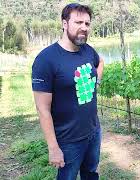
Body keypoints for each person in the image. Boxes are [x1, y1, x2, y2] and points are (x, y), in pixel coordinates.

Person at [32, 3, 104, 179]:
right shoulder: (46, 60)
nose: (84, 28)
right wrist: (53, 148)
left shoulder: (87, 50)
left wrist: (96, 82)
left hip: (93, 132)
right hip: (68, 140)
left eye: (87, 24)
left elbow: (100, 61)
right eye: (78, 22)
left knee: (91, 173)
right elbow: (43, 109)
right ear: (65, 24)